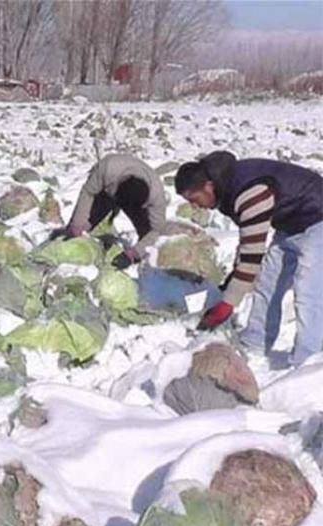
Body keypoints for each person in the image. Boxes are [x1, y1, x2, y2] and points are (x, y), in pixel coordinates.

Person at [175, 151, 323, 367]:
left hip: (318, 217)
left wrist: (227, 304)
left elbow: (253, 254)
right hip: (291, 223)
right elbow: (247, 242)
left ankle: (309, 361)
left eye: (194, 200)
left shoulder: (249, 194)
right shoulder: (225, 189)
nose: (195, 207)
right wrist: (230, 285)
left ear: (207, 186)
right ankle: (254, 343)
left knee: (308, 291)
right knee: (267, 283)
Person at [55, 153, 167, 269]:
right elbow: (88, 192)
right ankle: (69, 242)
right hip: (109, 189)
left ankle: (140, 264)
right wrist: (77, 224)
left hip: (135, 200)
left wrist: (134, 254)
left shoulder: (156, 196)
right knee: (84, 224)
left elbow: (156, 230)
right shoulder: (108, 168)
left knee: (146, 232)